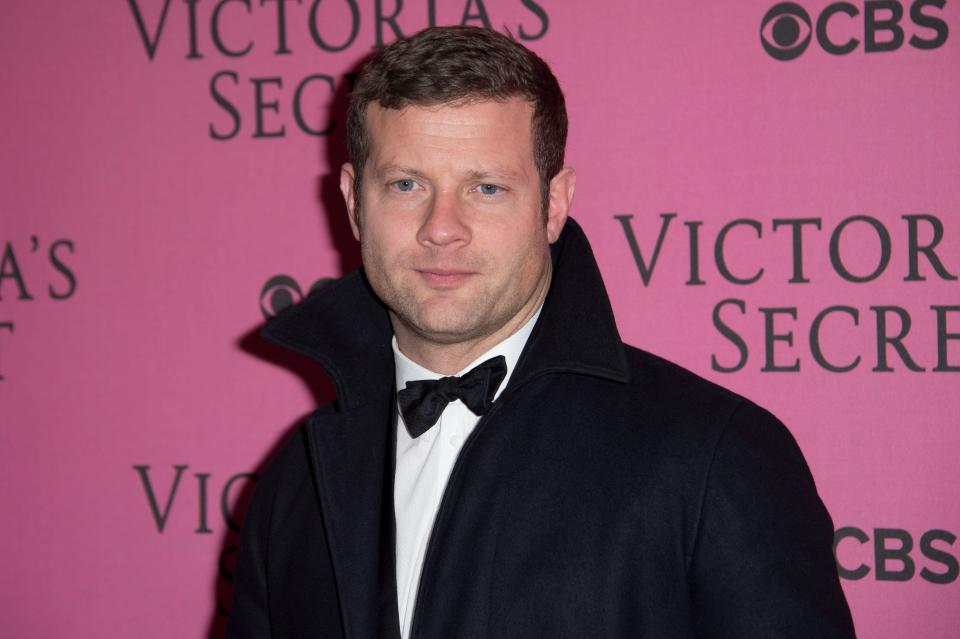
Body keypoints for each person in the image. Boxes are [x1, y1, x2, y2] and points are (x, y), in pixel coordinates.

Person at [227, 26, 856, 639]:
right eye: (406, 184)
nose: (441, 228)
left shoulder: (715, 455)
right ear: (353, 202)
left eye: (487, 188)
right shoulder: (297, 479)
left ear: (553, 205)